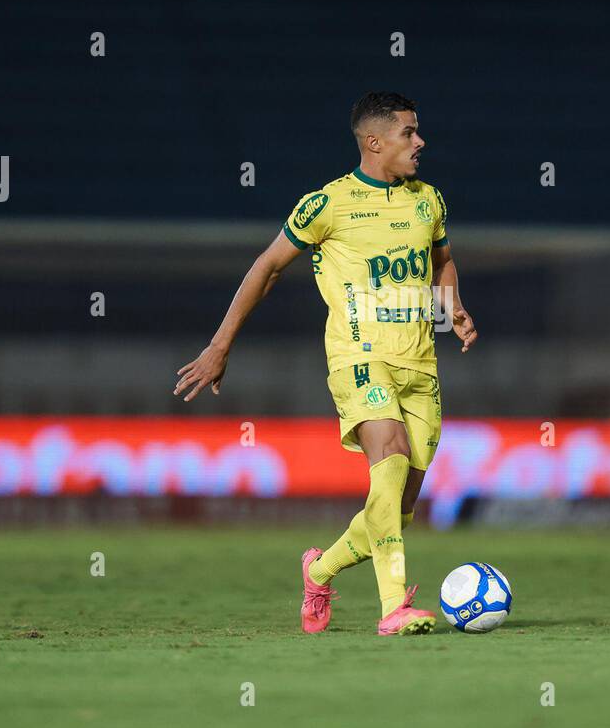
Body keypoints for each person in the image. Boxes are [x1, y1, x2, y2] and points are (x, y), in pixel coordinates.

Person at [173, 91, 478, 635]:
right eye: (410, 132)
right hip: (358, 358)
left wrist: (451, 308)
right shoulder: (326, 205)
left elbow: (443, 261)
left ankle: (320, 569)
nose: (420, 142)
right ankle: (393, 608)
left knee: (399, 509)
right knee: (388, 458)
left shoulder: (429, 200)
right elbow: (266, 268)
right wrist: (221, 345)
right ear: (373, 141)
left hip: (421, 367)